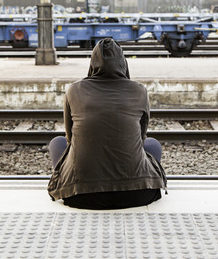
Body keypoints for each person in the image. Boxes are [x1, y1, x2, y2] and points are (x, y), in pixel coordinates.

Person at [47, 38, 167, 210]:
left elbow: (70, 139)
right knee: (152, 144)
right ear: (123, 63)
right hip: (138, 193)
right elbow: (140, 138)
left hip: (80, 195)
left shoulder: (74, 90)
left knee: (56, 142)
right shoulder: (139, 90)